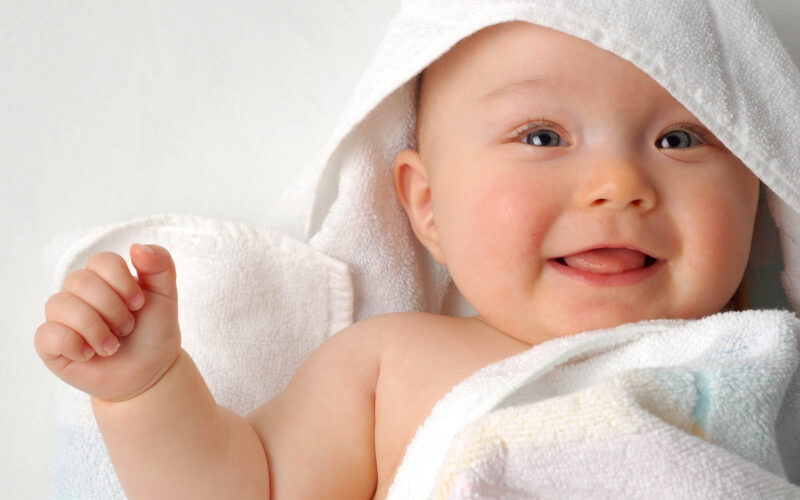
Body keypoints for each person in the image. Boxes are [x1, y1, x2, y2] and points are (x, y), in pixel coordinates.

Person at [33, 18, 787, 500]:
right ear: (426, 206)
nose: (618, 186)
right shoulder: (392, 366)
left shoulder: (757, 362)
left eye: (680, 139)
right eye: (541, 136)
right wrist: (145, 389)